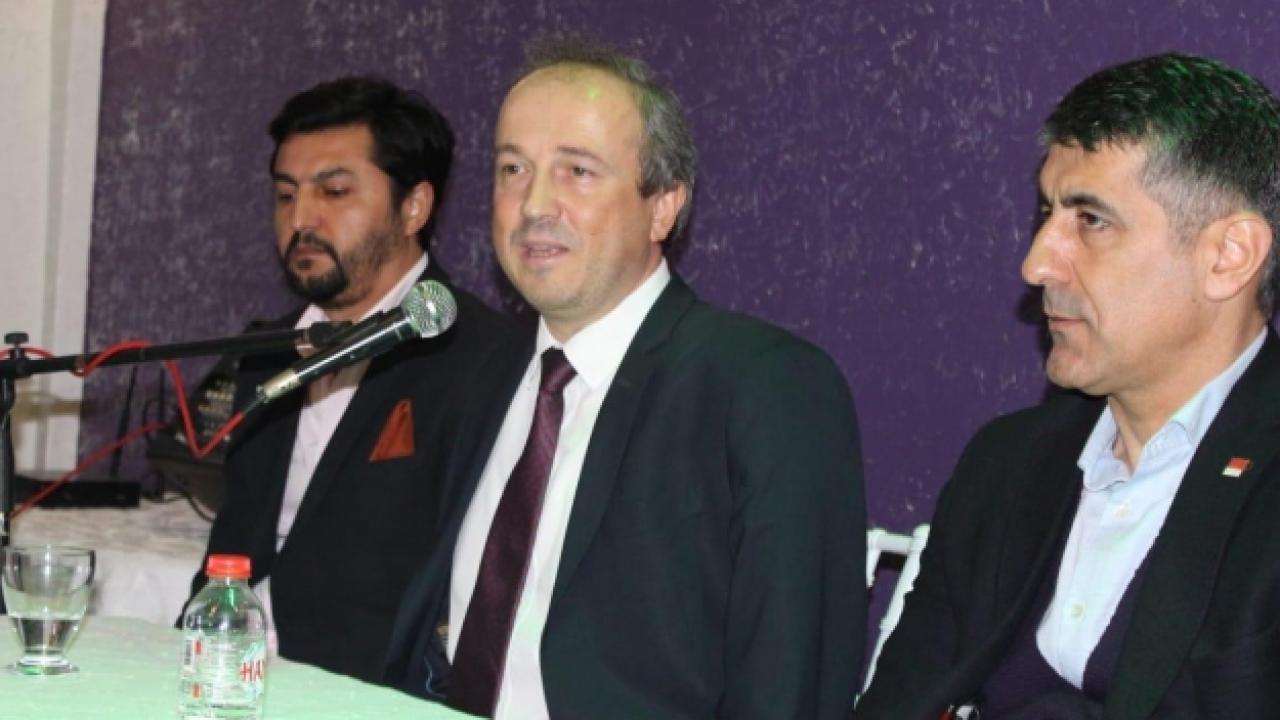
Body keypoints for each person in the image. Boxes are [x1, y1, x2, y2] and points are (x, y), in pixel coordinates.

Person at [383, 39, 866, 719]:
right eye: (513, 169)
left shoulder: (764, 387)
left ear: (664, 205)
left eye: (578, 171)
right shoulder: (478, 370)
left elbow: (789, 679)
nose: (534, 204)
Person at [856, 53, 1280, 719]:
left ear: (1228, 257)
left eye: (1091, 220)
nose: (1037, 264)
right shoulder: (1007, 464)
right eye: (1047, 213)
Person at [187, 77, 509, 683]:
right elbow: (238, 541)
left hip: (371, 689)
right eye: (285, 195)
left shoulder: (483, 356)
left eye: (334, 191)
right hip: (230, 675)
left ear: (413, 206)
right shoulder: (266, 350)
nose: (301, 219)